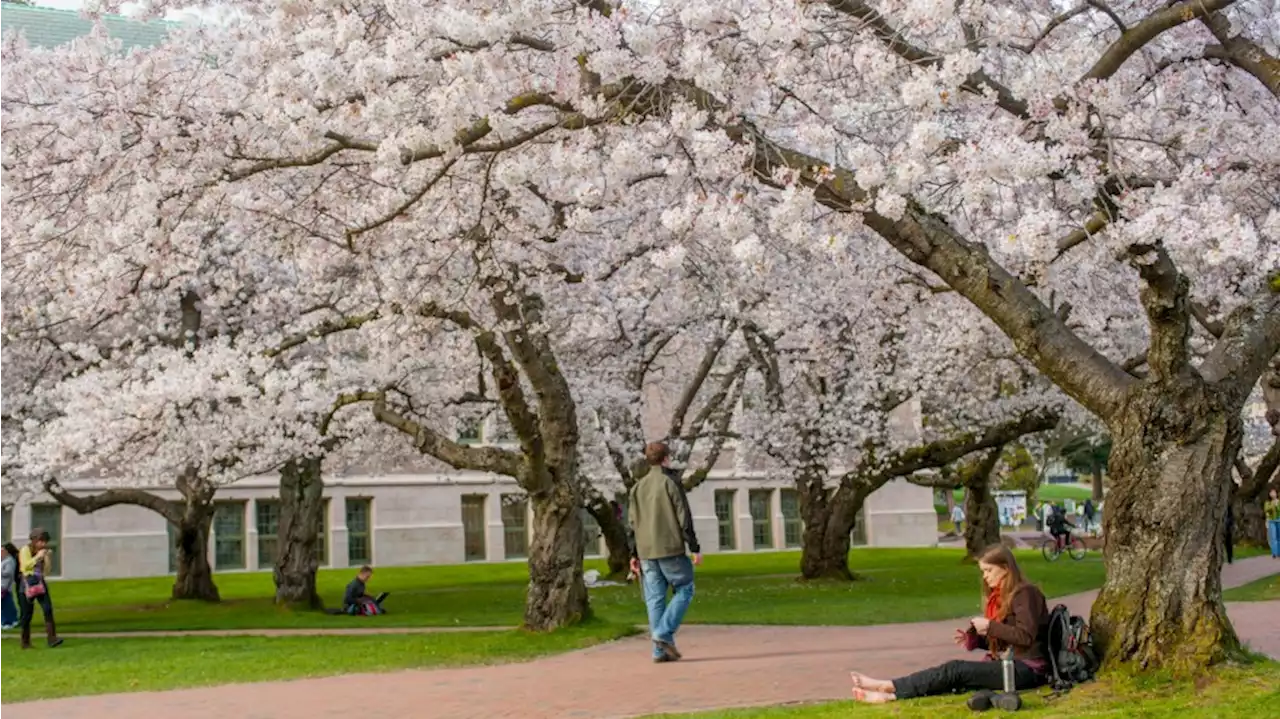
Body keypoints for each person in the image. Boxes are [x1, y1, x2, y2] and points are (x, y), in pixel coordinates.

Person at [849, 544, 1049, 704]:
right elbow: (1009, 641)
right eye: (983, 572)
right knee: (953, 674)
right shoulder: (1001, 597)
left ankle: (889, 686)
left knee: (955, 670)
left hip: (1027, 670)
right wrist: (978, 640)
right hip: (1010, 663)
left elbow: (1026, 637)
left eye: (989, 570)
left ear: (1005, 569)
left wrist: (989, 626)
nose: (985, 577)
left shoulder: (1026, 593)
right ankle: (890, 693)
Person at [627, 441, 701, 663]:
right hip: (670, 547)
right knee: (685, 589)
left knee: (655, 599)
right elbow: (683, 515)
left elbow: (631, 523)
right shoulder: (671, 482)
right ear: (666, 458)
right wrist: (694, 546)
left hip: (646, 550)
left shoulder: (637, 488)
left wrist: (633, 554)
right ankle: (663, 633)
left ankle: (659, 651)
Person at [17, 528, 63, 648]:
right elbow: (25, 566)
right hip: (27, 583)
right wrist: (37, 557)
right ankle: (25, 642)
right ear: (34, 540)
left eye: (44, 542)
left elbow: (46, 571)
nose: (42, 544)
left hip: (39, 582)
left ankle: (52, 638)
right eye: (40, 541)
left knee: (47, 609)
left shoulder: (43, 551)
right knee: (27, 614)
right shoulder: (25, 550)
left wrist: (47, 558)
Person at [0, 542, 19, 630]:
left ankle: (7, 622)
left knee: (6, 605)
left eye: (2, 550)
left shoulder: (9, 561)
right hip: (2, 586)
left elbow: (8, 573)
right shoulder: (3, 560)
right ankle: (8, 621)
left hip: (5, 587)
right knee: (6, 605)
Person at [1265, 488, 1280, 559]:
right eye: (1271, 493)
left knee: (1279, 537)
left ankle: (1279, 552)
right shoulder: (1268, 502)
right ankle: (1274, 553)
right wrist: (1273, 505)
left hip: (1279, 520)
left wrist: (1277, 505)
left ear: (1276, 493)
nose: (1273, 494)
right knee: (1273, 537)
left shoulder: (1279, 501)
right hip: (1271, 521)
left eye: (1274, 492)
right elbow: (1266, 509)